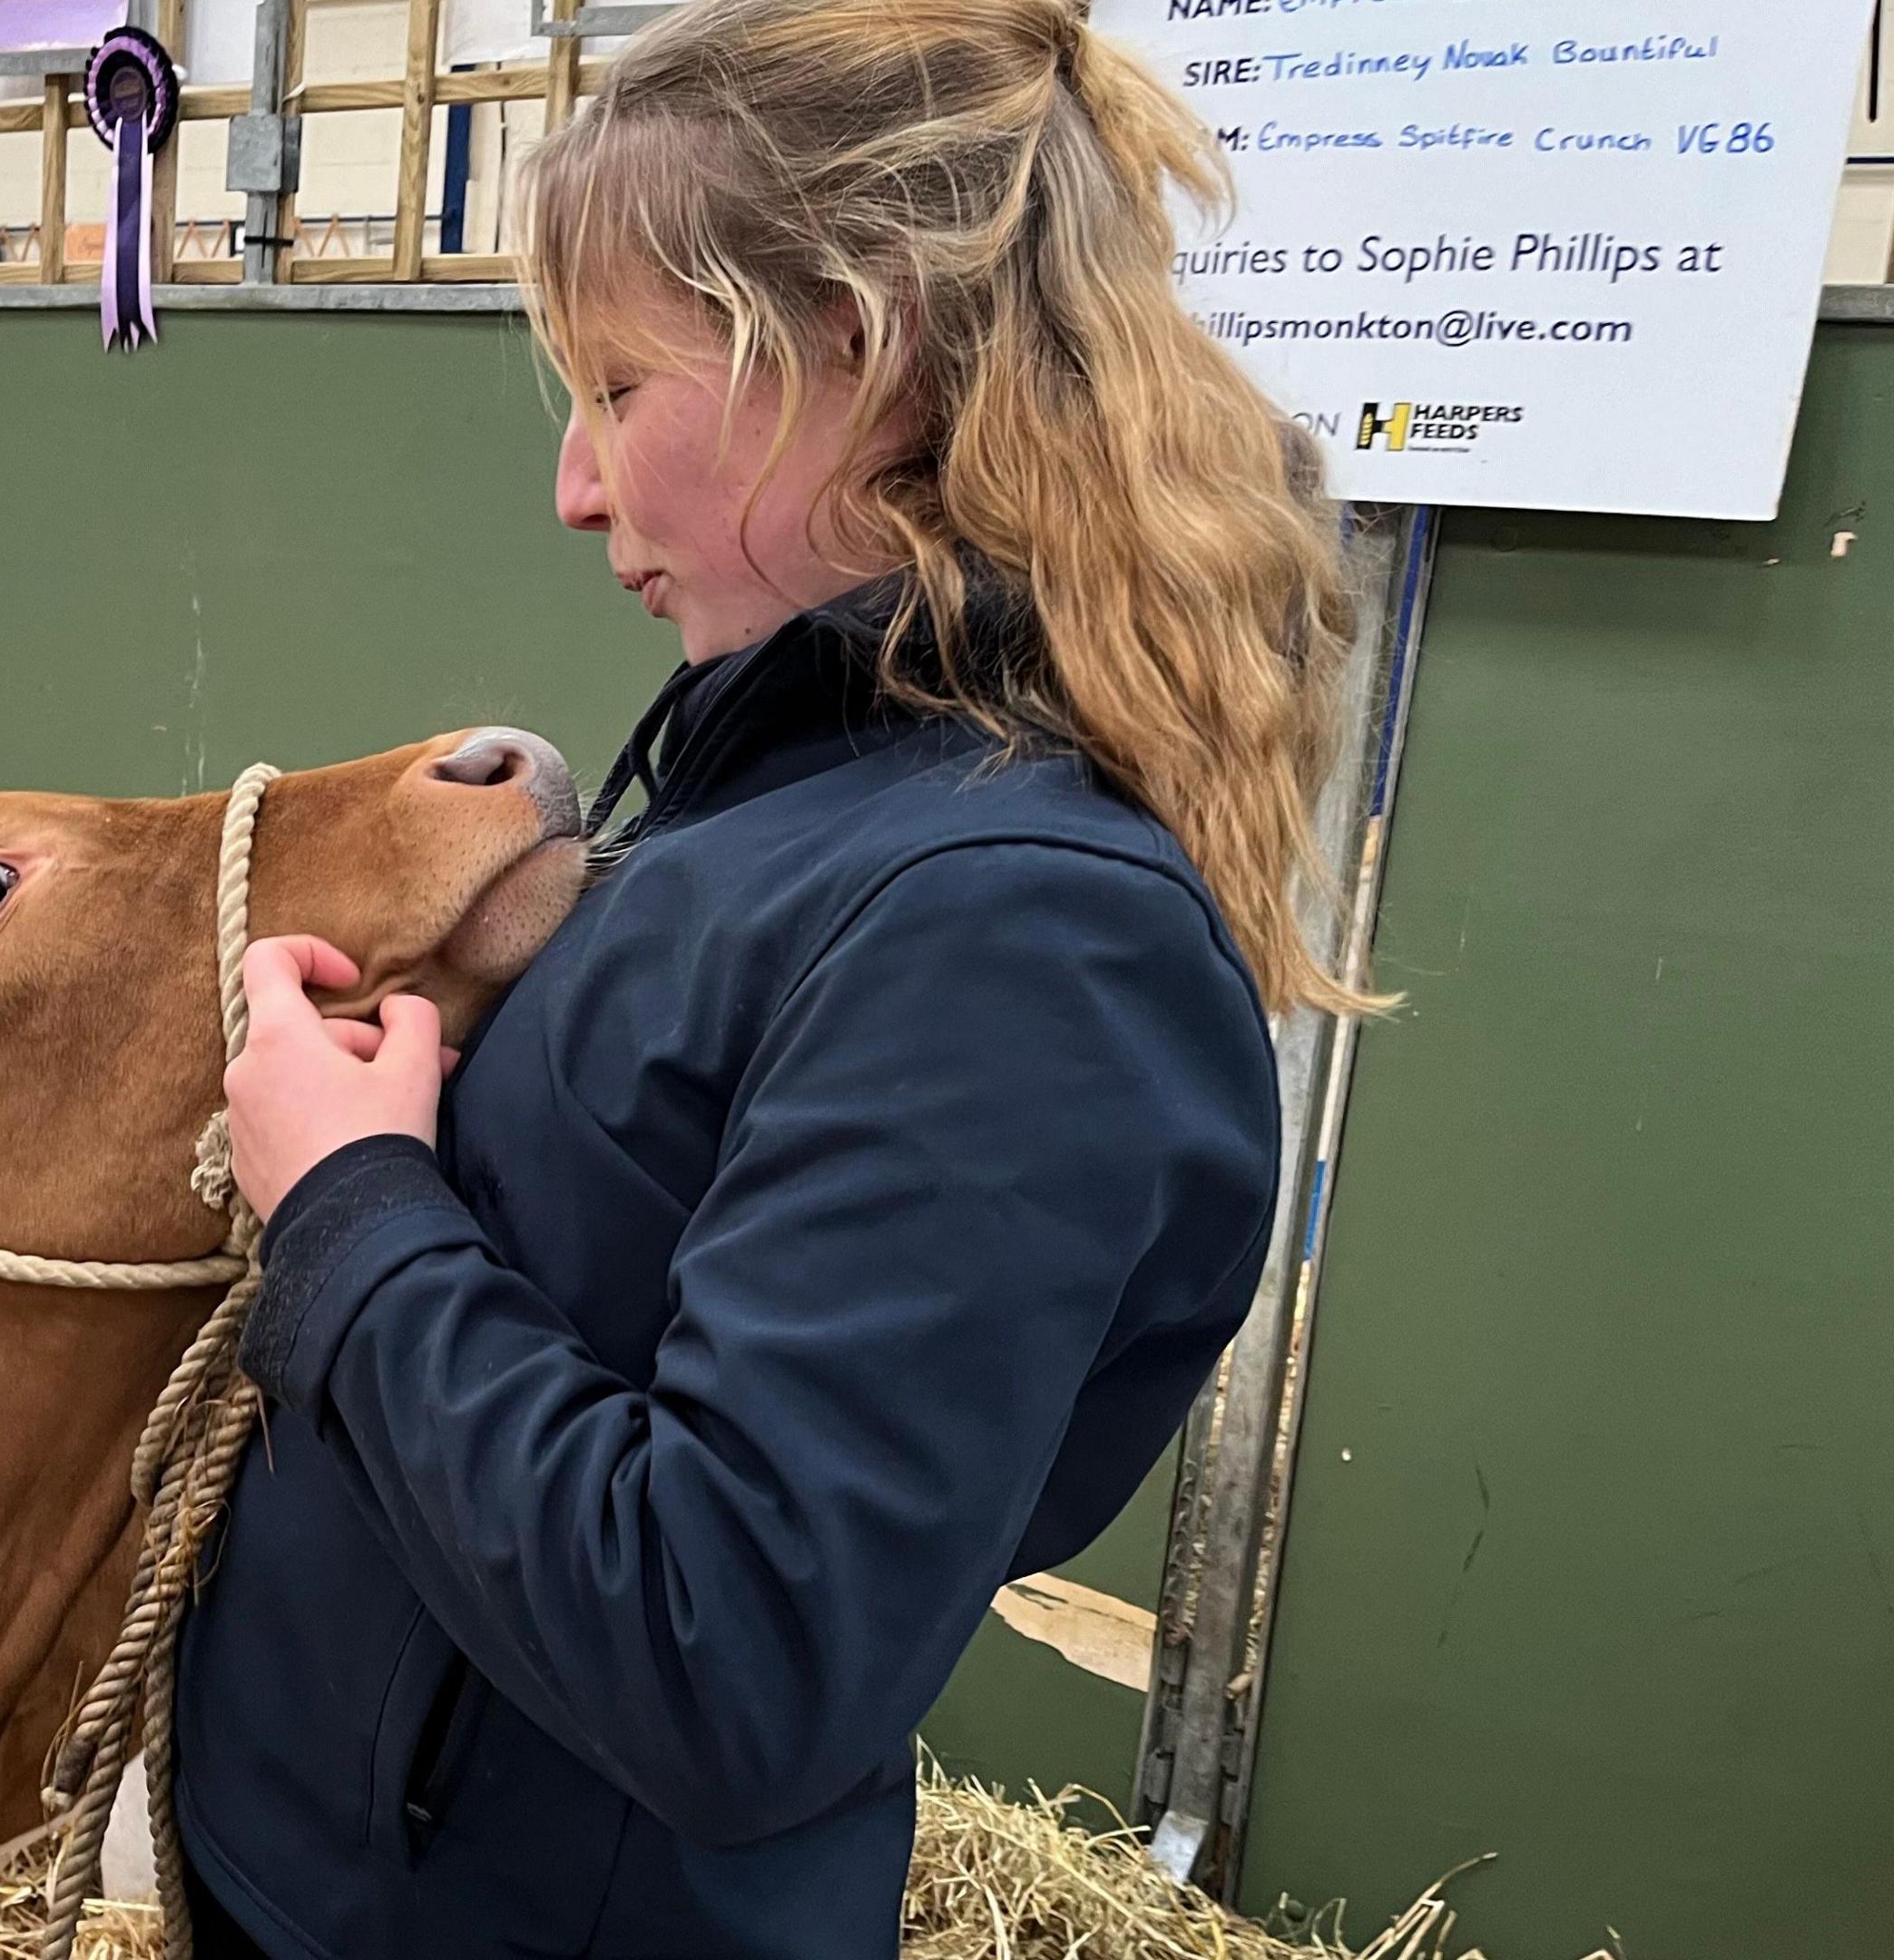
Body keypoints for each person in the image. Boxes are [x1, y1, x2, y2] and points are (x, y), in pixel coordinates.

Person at [173, 4, 1370, 1957]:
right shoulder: (807, 794)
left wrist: (350, 1204)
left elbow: (733, 1654)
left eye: (619, 388)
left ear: (854, 353)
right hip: (358, 1874)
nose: (576, 488)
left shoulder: (1021, 937)